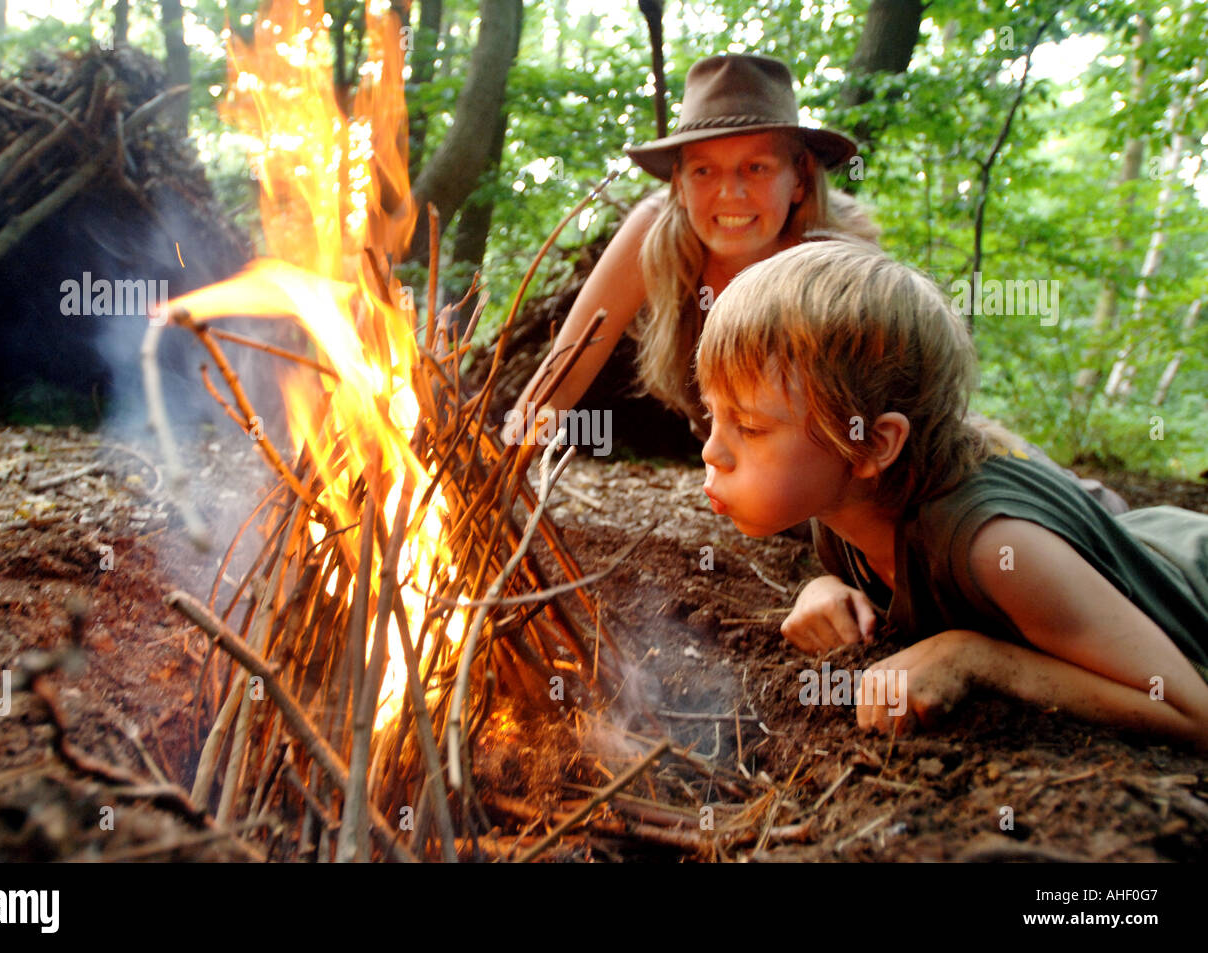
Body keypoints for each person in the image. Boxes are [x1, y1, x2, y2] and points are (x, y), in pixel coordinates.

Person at [696, 239, 1208, 749]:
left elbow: (1192, 712)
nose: (712, 451)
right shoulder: (843, 509)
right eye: (712, 413)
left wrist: (977, 659)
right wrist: (824, 587)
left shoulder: (994, 546)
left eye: (751, 427)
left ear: (873, 444)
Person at [504, 54, 877, 447]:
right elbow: (564, 370)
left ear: (799, 178)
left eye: (757, 168)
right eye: (704, 170)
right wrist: (503, 469)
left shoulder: (841, 261)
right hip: (730, 459)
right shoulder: (653, 233)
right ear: (679, 184)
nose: (730, 192)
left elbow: (873, 415)